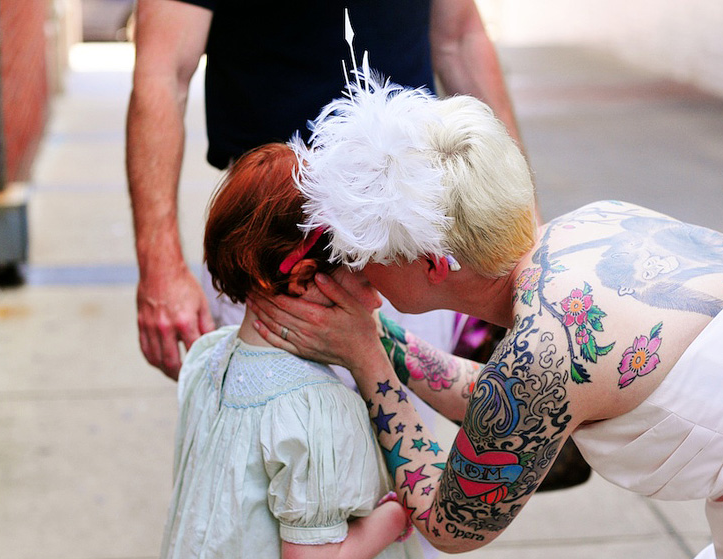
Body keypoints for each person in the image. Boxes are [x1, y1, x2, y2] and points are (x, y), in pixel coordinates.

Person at [251, 77, 723, 559]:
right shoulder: (593, 226)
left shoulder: (547, 351)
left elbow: (448, 522)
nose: (353, 268)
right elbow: (510, 406)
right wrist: (383, 338)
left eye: (364, 253)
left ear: (435, 263)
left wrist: (370, 366)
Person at [125, 0, 522, 380]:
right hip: (278, 236)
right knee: (275, 434)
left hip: (414, 229)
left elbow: (460, 36)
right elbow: (163, 71)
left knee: (409, 428)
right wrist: (160, 266)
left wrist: (518, 209)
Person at [153, 143, 436, 559]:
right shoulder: (318, 407)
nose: (378, 301)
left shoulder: (208, 359)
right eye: (365, 280)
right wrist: (398, 515)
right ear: (304, 278)